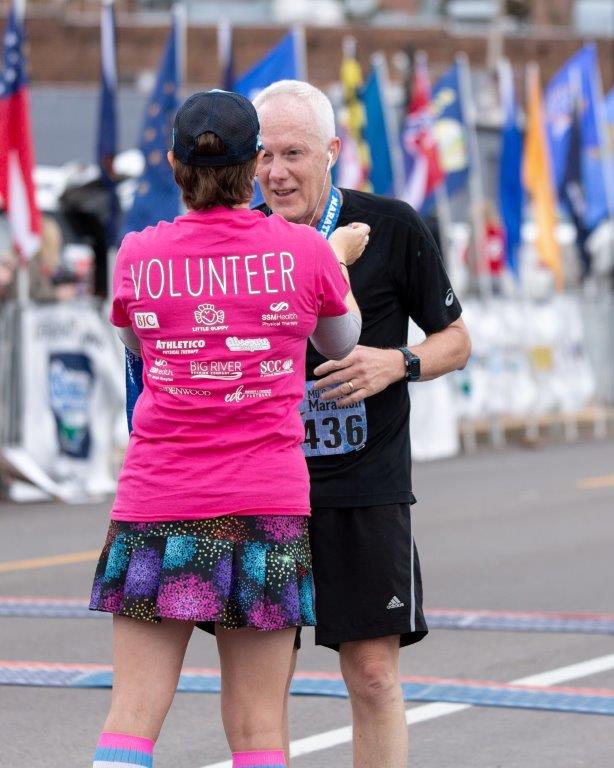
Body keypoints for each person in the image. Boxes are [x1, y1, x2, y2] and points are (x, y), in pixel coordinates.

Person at [89, 89, 368, 768]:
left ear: (172, 163)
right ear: (254, 165)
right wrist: (335, 261)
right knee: (257, 726)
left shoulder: (138, 254)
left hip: (159, 498)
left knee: (132, 715)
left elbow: (135, 344)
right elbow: (341, 342)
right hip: (264, 502)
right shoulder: (303, 251)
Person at [252, 80, 472, 768]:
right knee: (262, 686)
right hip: (264, 485)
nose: (276, 172)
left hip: (365, 483)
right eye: (262, 155)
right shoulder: (242, 237)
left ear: (332, 152)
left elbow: (457, 341)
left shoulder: (392, 224)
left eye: (293, 153)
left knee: (373, 674)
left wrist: (397, 362)